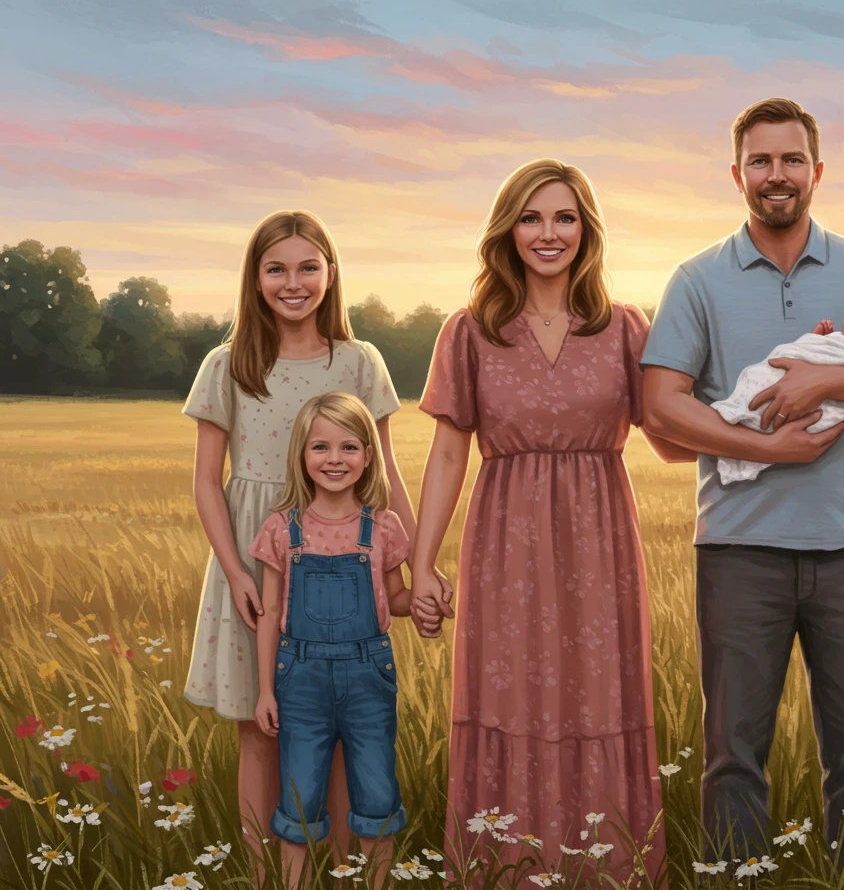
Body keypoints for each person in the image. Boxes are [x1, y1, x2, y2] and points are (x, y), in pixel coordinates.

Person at [640, 97, 844, 863]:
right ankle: (734, 878)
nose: (778, 174)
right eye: (762, 161)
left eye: (793, 159)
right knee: (733, 757)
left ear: (817, 170)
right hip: (739, 550)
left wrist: (819, 381)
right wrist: (770, 448)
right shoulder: (697, 279)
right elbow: (660, 404)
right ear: (737, 173)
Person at [410, 158, 692, 884]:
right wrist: (421, 563)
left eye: (565, 217)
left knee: (600, 698)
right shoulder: (469, 332)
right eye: (531, 218)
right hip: (504, 542)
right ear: (507, 230)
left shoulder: (625, 327)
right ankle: (506, 869)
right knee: (507, 697)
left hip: (601, 543)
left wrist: (768, 411)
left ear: (587, 231)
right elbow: (448, 455)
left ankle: (607, 872)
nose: (548, 233)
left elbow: (672, 440)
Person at [181, 210, 416, 879]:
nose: (294, 282)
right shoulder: (228, 364)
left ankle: (341, 874)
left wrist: (419, 564)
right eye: (276, 269)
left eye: (308, 267)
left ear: (331, 273)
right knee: (260, 729)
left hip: (342, 555)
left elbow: (386, 471)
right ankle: (266, 878)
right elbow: (206, 482)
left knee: (342, 732)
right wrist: (237, 572)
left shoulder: (359, 361)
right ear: (254, 279)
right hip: (254, 556)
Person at [251, 392, 436, 888]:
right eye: (321, 447)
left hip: (368, 676)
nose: (335, 459)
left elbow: (395, 598)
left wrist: (421, 602)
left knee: (377, 795)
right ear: (302, 454)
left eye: (349, 447)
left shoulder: (384, 527)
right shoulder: (281, 528)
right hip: (300, 679)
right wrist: (266, 690)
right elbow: (270, 615)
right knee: (299, 799)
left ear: (368, 456)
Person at [711, 303, 844, 483]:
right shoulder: (838, 340)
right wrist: (816, 339)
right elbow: (811, 353)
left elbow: (829, 366)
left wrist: (817, 358)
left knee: (766, 402)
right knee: (759, 380)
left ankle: (742, 418)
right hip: (783, 384)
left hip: (806, 406)